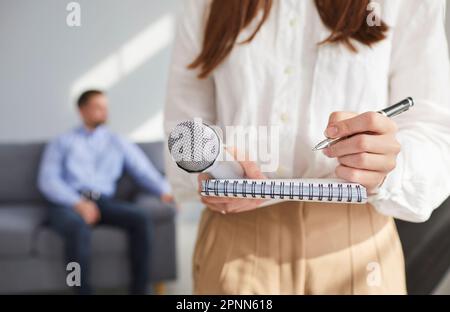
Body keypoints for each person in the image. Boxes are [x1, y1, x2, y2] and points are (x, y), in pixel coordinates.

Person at [164, 0, 450, 294]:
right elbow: (183, 128)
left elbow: (434, 130)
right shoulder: (205, 4)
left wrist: (387, 165)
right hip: (235, 238)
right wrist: (218, 162)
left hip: (358, 246)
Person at [38, 90, 173, 295]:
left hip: (103, 202)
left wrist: (166, 191)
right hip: (68, 203)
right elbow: (48, 180)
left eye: (105, 107)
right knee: (77, 229)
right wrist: (78, 203)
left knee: (141, 219)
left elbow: (143, 170)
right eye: (98, 107)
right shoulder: (62, 142)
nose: (104, 112)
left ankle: (139, 290)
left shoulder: (117, 141)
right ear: (82, 110)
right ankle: (80, 290)